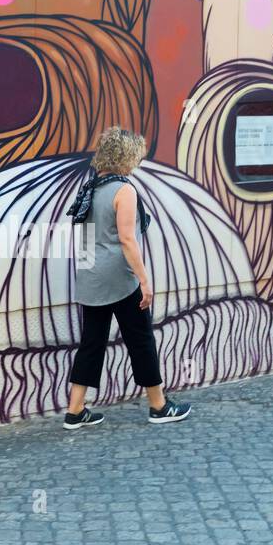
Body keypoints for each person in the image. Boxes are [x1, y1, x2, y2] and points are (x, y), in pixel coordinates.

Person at [63, 128, 192, 429]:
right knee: (141, 339)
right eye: (136, 155)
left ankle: (75, 409)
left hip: (90, 274)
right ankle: (159, 406)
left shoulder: (90, 187)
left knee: (91, 343)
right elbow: (127, 239)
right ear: (126, 156)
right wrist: (144, 280)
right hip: (118, 278)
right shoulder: (124, 190)